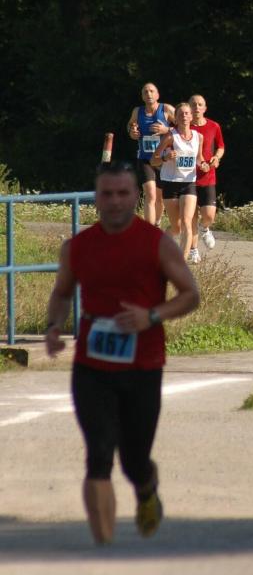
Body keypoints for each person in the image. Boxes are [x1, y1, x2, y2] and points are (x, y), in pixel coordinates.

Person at [44, 161, 199, 545]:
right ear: (96, 199)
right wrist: (53, 327)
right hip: (91, 367)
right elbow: (61, 293)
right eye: (107, 194)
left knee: (133, 460)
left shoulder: (156, 243)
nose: (114, 201)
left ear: (136, 197)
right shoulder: (78, 247)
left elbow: (190, 295)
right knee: (98, 454)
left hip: (143, 366)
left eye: (123, 194)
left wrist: (151, 316)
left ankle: (146, 490)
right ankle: (104, 547)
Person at [151, 103, 209, 260]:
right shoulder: (170, 137)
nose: (184, 116)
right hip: (170, 183)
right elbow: (154, 160)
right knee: (176, 228)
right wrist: (165, 157)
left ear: (191, 117)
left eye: (187, 113)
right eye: (181, 114)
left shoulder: (198, 137)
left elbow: (199, 158)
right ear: (175, 118)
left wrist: (203, 164)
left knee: (186, 222)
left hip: (189, 183)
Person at [127, 83, 175, 226]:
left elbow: (184, 127)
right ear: (142, 96)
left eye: (152, 91)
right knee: (150, 195)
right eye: (145, 92)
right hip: (145, 159)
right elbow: (130, 125)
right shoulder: (137, 111)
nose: (149, 94)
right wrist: (132, 132)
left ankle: (157, 224)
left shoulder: (166, 109)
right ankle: (149, 231)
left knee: (159, 198)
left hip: (162, 159)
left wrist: (166, 129)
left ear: (157, 95)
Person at [188, 94, 225, 264]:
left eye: (200, 104)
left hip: (207, 175)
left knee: (209, 215)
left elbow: (221, 146)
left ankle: (205, 228)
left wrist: (217, 157)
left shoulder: (213, 126)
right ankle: (193, 250)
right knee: (191, 216)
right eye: (193, 104)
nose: (196, 107)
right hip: (188, 177)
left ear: (205, 108)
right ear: (188, 108)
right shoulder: (183, 126)